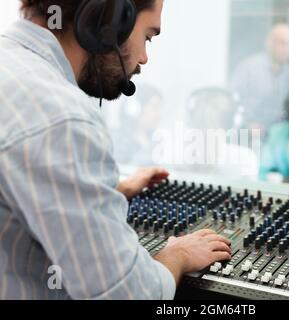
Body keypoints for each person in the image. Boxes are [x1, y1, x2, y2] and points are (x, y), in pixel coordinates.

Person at [0, 0, 231, 300]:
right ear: (109, 18)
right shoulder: (62, 118)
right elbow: (128, 294)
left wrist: (104, 190)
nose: (145, 58)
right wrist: (178, 254)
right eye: (148, 36)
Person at [230, 24, 289, 132]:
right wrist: (246, 123)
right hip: (248, 133)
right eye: (283, 43)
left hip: (276, 135)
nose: (288, 49)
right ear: (269, 43)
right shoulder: (249, 68)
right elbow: (232, 100)